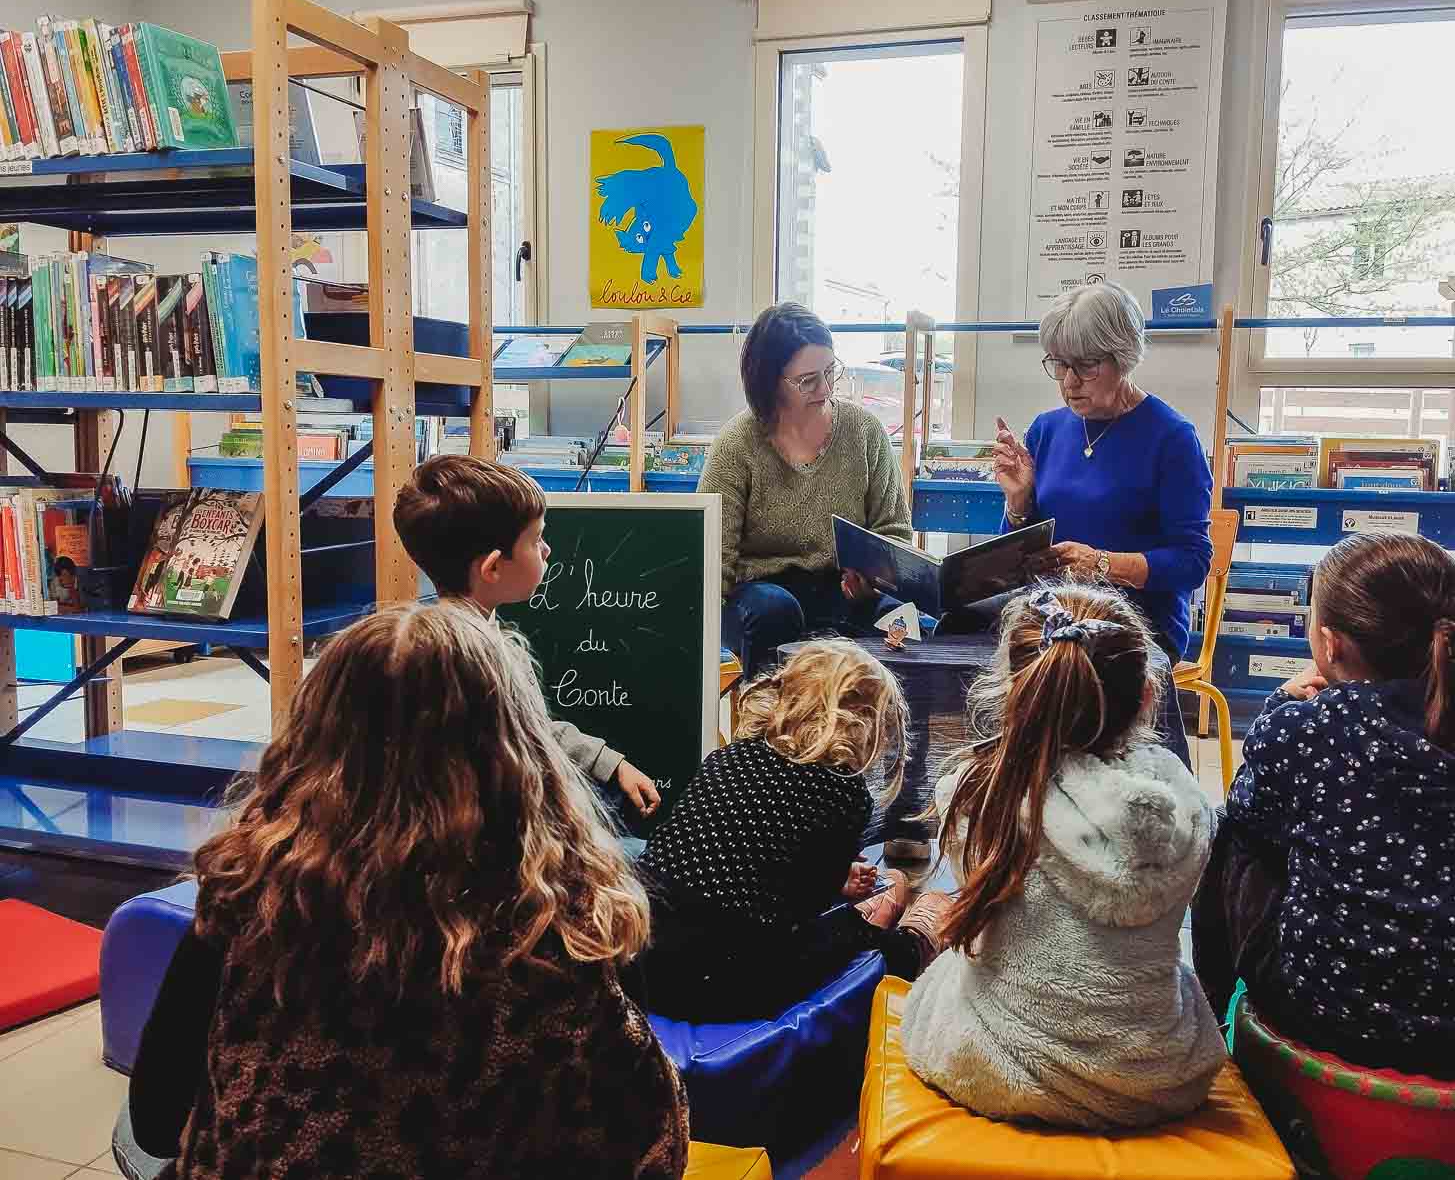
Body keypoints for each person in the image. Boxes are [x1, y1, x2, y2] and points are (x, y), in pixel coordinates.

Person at [120, 604, 688, 1179]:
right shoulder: (573, 922)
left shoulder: (249, 903)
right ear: (523, 756)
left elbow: (154, 1120)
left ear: (313, 744)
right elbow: (646, 1139)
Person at [1191, 532, 1455, 1076]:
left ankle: (1215, 1023)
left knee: (1234, 830)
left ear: (1330, 644)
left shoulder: (1302, 727)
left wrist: (1275, 710)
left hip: (1335, 1014)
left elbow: (1255, 817)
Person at [900, 583, 1223, 1130]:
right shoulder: (1186, 805)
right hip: (1159, 1077)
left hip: (999, 1064)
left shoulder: (978, 789)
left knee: (938, 962)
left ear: (1013, 690)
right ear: (1147, 698)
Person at [631, 639, 952, 1022]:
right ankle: (911, 944)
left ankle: (884, 909)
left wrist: (828, 876)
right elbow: (805, 908)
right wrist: (836, 883)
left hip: (642, 957)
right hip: (721, 981)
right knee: (857, 933)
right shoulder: (842, 791)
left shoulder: (731, 755)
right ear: (865, 724)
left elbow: (744, 852)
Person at [991, 281, 1212, 768]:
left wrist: (1103, 565)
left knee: (1061, 670)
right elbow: (1015, 549)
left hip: (1138, 621)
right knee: (959, 641)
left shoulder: (1172, 438)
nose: (1069, 381)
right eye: (1059, 364)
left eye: (1086, 366)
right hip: (1056, 610)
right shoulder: (1047, 429)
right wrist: (1018, 501)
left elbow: (1192, 563)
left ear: (1124, 356)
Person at [395, 454, 662, 819]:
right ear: (492, 567)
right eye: (536, 540)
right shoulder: (471, 663)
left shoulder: (474, 629)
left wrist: (606, 761)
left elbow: (536, 729)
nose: (547, 549)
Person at [699, 302, 912, 680]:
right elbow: (711, 561)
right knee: (775, 610)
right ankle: (771, 731)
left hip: (841, 590)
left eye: (830, 372)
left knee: (906, 620)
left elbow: (894, 532)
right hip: (758, 597)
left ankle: (889, 732)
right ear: (770, 382)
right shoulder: (736, 445)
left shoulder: (864, 432)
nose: (826, 389)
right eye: (808, 381)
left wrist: (873, 580)